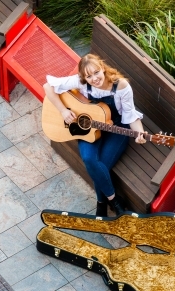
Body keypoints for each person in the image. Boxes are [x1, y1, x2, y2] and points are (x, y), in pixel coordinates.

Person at [43, 53, 147, 217]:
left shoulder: (121, 86)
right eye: (89, 76)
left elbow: (130, 115)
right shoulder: (81, 82)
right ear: (83, 77)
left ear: (102, 68)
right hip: (89, 127)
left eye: (96, 72)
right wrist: (63, 111)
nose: (94, 79)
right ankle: (114, 200)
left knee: (101, 166)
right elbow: (48, 87)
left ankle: (101, 202)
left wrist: (139, 132)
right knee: (89, 159)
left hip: (116, 127)